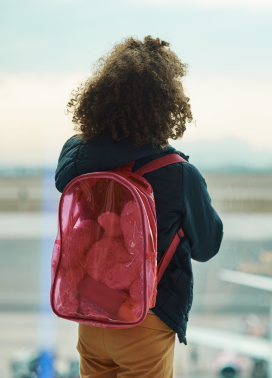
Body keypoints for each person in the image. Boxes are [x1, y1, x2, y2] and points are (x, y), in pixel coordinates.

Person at [55, 35, 223, 378]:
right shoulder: (178, 173)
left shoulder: (79, 160)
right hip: (142, 318)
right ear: (165, 106)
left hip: (91, 310)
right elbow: (207, 245)